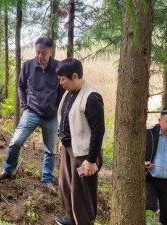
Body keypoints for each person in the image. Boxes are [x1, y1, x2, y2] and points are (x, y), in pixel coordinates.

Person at [0, 37, 64, 192]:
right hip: (31, 112)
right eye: (38, 52)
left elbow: (62, 90)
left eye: (44, 53)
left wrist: (56, 107)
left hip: (51, 115)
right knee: (16, 142)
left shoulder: (58, 68)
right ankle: (8, 170)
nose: (40, 56)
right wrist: (25, 104)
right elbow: (21, 86)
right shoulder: (28, 66)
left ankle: (46, 178)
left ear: (51, 52)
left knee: (50, 149)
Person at [55, 58, 105, 225]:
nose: (61, 83)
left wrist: (91, 160)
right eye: (59, 79)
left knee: (81, 192)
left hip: (83, 154)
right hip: (69, 149)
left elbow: (98, 131)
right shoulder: (69, 93)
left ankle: (84, 222)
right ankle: (71, 218)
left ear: (74, 76)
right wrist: (62, 139)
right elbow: (65, 118)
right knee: (66, 186)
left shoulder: (91, 97)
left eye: (63, 79)